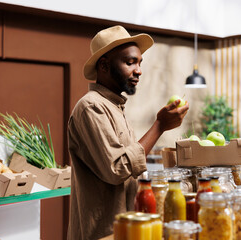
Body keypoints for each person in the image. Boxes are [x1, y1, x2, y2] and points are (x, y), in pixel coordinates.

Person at [67, 26, 189, 240]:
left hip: (126, 227)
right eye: (130, 62)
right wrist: (159, 126)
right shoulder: (91, 107)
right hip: (102, 232)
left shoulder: (115, 107)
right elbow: (117, 168)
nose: (139, 70)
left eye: (140, 63)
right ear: (104, 65)